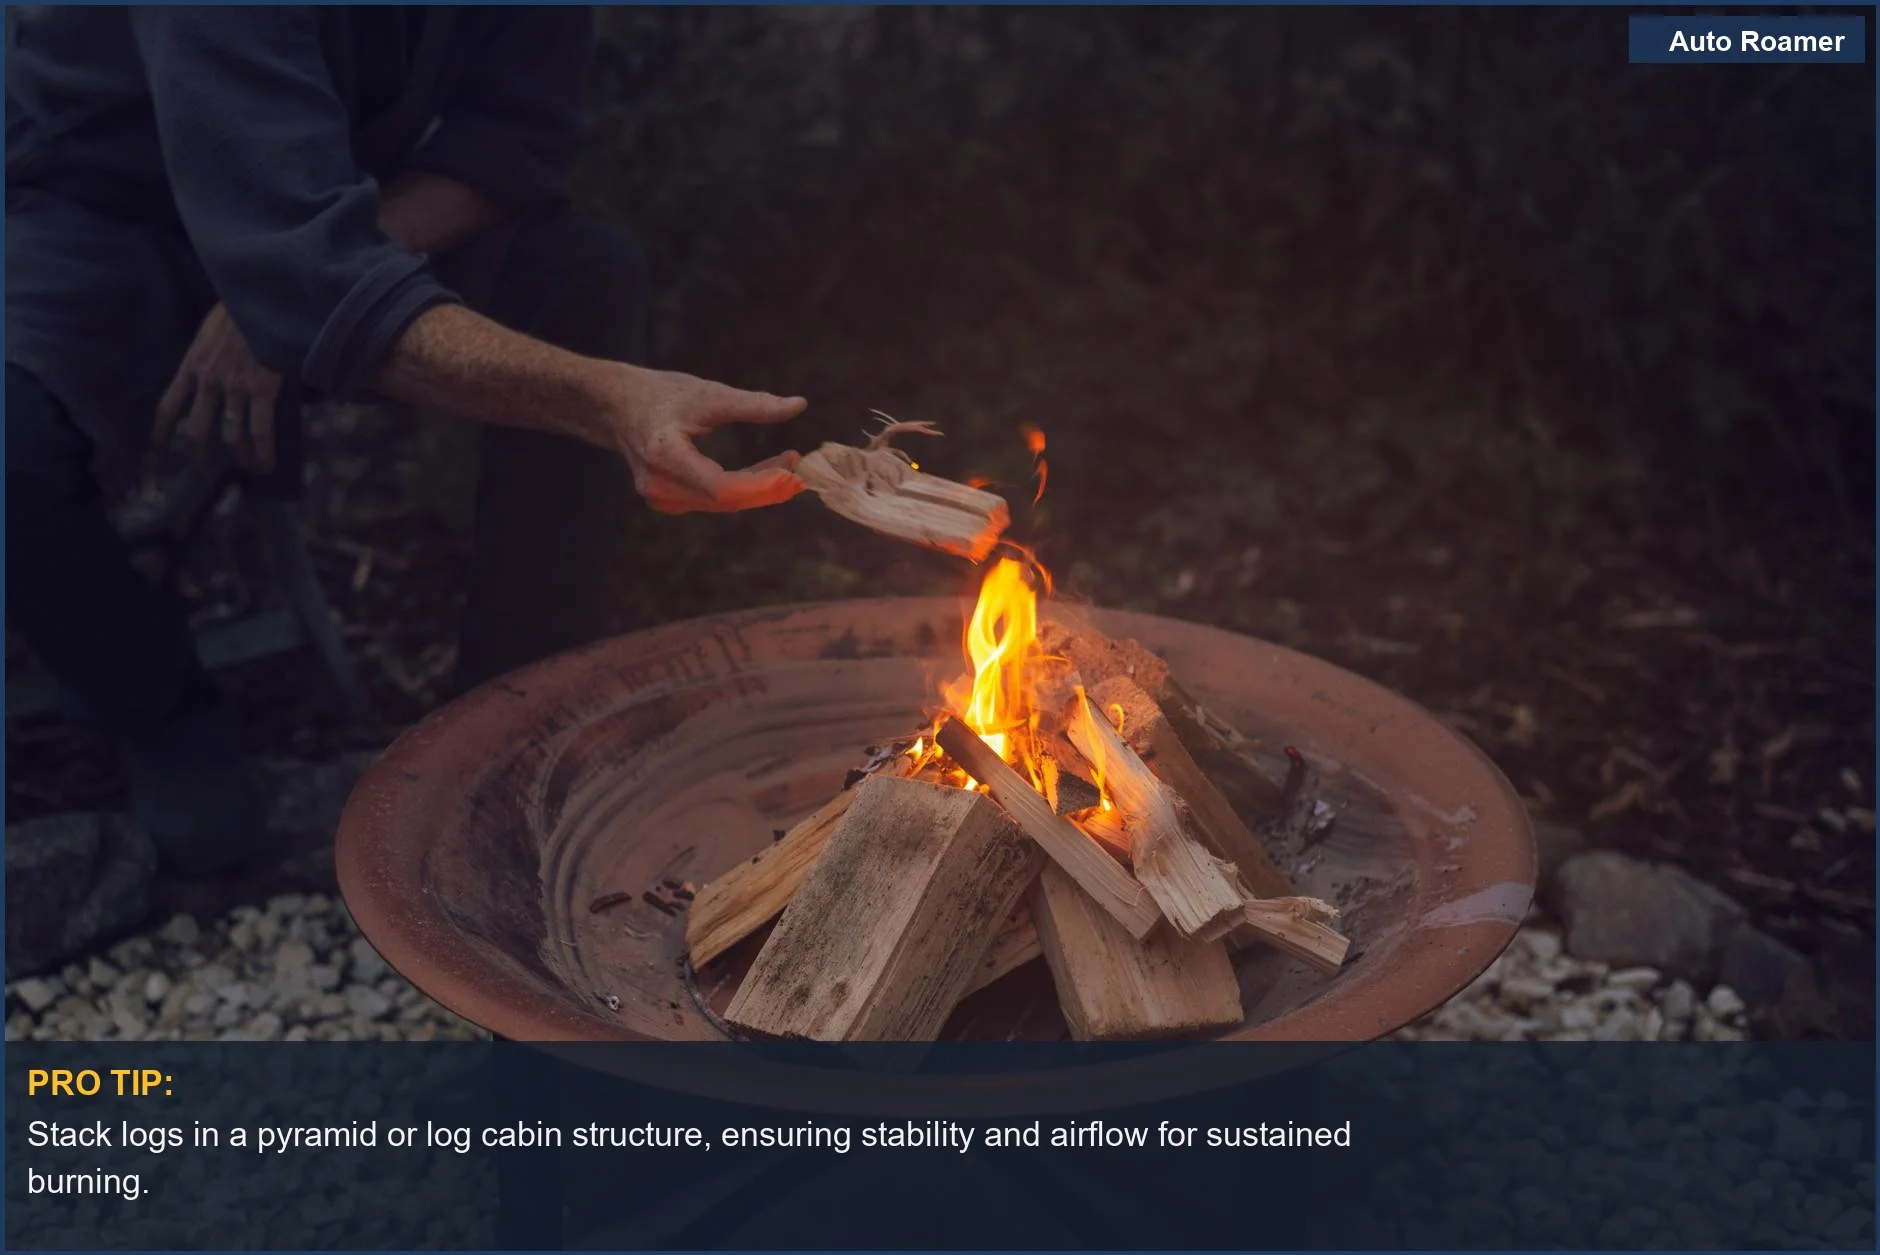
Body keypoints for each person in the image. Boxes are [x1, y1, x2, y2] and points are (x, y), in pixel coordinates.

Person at [5, 6, 805, 948]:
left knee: (583, 274)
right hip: (104, 208)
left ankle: (519, 732)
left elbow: (512, 144)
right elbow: (302, 271)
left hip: (322, 195)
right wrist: (607, 402)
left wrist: (304, 268)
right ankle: (157, 703)